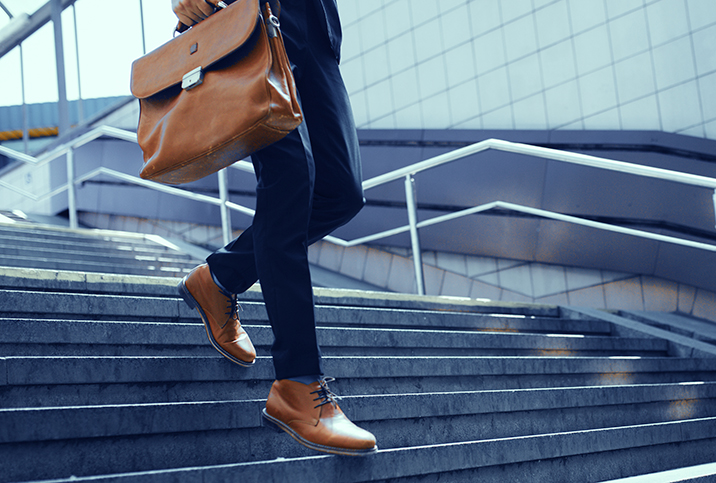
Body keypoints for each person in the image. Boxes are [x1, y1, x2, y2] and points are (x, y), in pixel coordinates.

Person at [171, 0, 377, 456]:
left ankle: (220, 277)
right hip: (250, 15)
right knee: (291, 181)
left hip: (316, 26)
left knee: (340, 192)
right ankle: (297, 383)